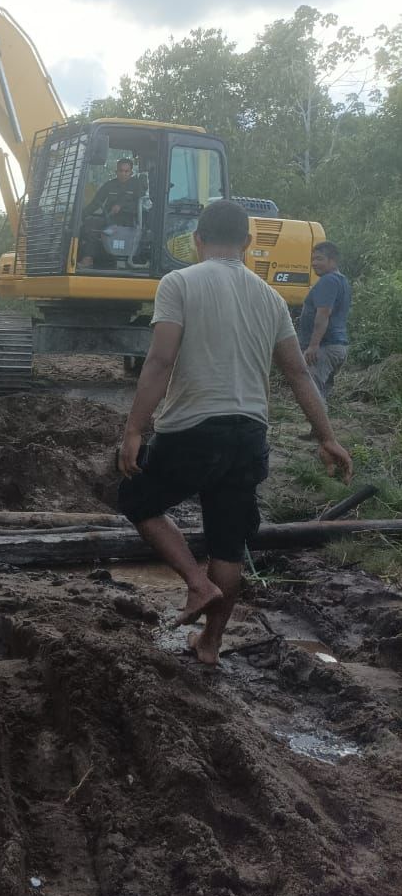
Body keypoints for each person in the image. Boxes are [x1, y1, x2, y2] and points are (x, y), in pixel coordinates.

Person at [117, 199, 352, 666]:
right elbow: (298, 375)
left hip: (193, 428)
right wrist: (326, 436)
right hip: (249, 434)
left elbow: (161, 361)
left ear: (197, 241)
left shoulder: (179, 282)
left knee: (137, 501)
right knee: (227, 538)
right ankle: (210, 644)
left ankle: (196, 584)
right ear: (246, 243)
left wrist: (134, 429)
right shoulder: (269, 297)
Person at [298, 241, 351, 408]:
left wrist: (313, 345)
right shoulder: (341, 280)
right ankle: (318, 432)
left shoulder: (328, 281)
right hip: (337, 346)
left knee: (312, 392)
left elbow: (323, 314)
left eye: (319, 259)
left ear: (332, 260)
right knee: (321, 391)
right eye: (313, 259)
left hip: (324, 348)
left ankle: (321, 432)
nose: (314, 263)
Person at [79, 158, 142, 267]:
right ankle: (90, 258)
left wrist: (121, 206)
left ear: (131, 172)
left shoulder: (137, 186)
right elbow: (95, 203)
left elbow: (142, 203)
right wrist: (80, 216)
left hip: (129, 222)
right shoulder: (109, 185)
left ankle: (88, 258)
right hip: (110, 219)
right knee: (89, 224)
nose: (123, 174)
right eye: (120, 171)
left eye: (126, 171)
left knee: (97, 226)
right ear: (116, 172)